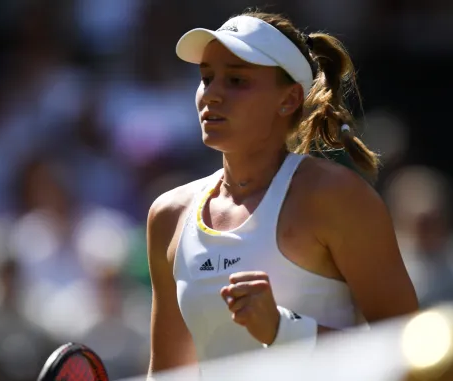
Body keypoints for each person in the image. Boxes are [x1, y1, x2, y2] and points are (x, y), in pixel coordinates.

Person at [146, 10, 419, 377]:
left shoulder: (337, 198)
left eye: (236, 80)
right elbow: (167, 373)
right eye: (206, 78)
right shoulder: (168, 215)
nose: (211, 94)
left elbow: (412, 350)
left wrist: (285, 330)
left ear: (288, 99)